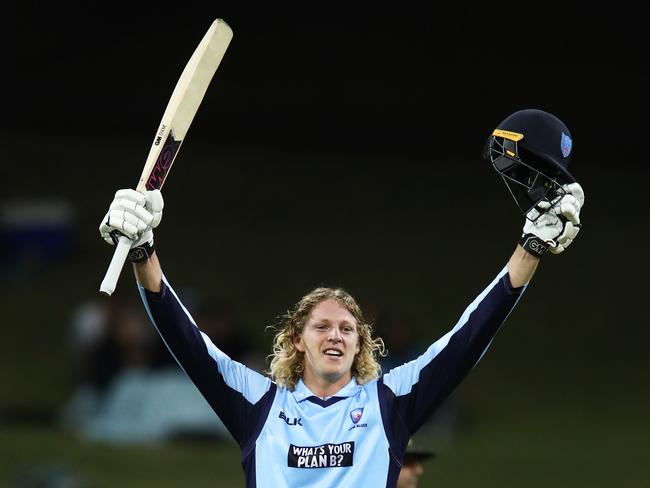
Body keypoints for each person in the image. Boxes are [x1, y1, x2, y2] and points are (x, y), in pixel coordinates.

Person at [98, 108, 585, 487]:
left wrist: (530, 248)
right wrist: (144, 250)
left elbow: (470, 335)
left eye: (348, 328)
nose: (336, 334)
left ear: (360, 345)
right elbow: (186, 340)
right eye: (323, 326)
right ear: (296, 340)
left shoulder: (390, 401)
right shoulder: (259, 403)